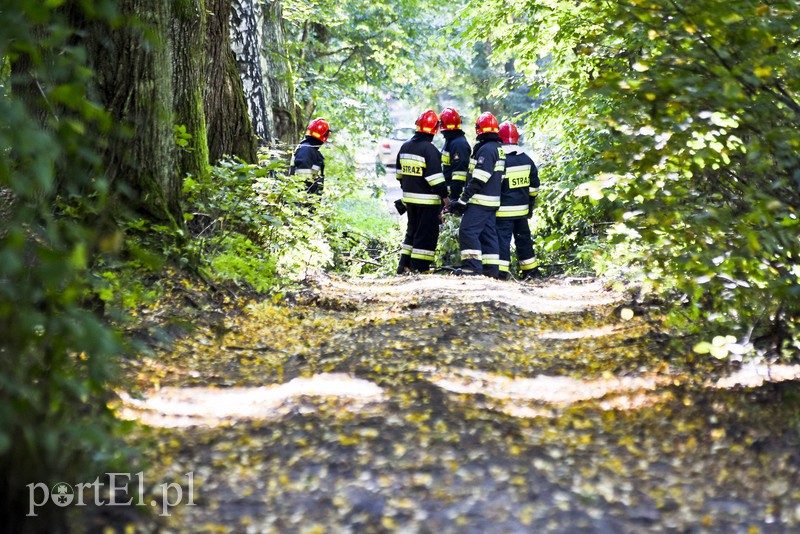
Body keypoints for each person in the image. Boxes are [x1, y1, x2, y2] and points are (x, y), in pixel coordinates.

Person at [448, 111, 505, 278]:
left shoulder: (486, 150)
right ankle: (490, 270)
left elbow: (480, 178)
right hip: (491, 201)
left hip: (480, 201)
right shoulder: (497, 148)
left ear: (479, 129)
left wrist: (463, 200)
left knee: (467, 231)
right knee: (488, 236)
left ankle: (472, 268)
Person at [395, 109, 450, 274]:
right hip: (428, 202)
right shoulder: (430, 150)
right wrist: (446, 198)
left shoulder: (405, 147)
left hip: (410, 200)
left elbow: (399, 175)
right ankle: (420, 269)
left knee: (411, 232)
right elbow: (435, 179)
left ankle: (403, 266)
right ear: (435, 129)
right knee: (425, 235)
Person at [496, 121, 540, 280]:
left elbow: (494, 187)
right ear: (517, 138)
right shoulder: (527, 159)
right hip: (522, 211)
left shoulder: (499, 160)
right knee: (524, 241)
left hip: (502, 212)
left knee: (502, 242)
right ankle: (531, 274)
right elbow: (534, 187)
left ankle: (501, 275)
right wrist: (530, 206)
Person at [289, 118, 331, 196]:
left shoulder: (311, 151)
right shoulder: (306, 150)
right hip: (301, 201)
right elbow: (302, 179)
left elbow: (313, 176)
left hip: (307, 201)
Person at [439, 107, 471, 202]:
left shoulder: (458, 144)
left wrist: (454, 198)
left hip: (454, 196)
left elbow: (460, 173)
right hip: (449, 194)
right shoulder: (451, 141)